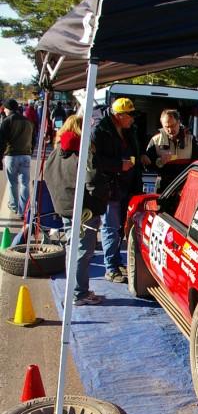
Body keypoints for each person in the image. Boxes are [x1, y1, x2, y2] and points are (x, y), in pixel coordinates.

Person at [44, 115, 109, 306]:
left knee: (73, 249)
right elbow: (93, 182)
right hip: (83, 209)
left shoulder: (58, 150)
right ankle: (79, 293)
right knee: (82, 251)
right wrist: (104, 194)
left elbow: (49, 175)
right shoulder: (83, 152)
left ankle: (77, 290)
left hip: (65, 206)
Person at [92, 97, 144, 283]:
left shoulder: (129, 130)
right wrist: (118, 165)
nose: (132, 119)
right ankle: (111, 268)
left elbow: (134, 152)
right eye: (130, 115)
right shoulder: (100, 130)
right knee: (110, 227)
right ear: (119, 115)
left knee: (120, 227)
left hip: (127, 185)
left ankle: (116, 260)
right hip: (110, 187)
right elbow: (94, 161)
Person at [145, 108, 198, 193]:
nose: (170, 130)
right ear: (162, 125)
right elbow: (147, 165)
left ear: (179, 122)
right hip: (164, 188)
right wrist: (159, 161)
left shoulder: (190, 139)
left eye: (173, 126)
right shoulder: (155, 140)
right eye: (166, 127)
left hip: (185, 186)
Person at [0, 98, 33, 216]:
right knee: (25, 183)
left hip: (12, 155)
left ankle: (14, 206)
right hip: (26, 155)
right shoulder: (28, 121)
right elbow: (33, 139)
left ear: (8, 109)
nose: (4, 110)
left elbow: (1, 141)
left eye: (5, 108)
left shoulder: (7, 121)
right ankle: (24, 210)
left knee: (12, 183)